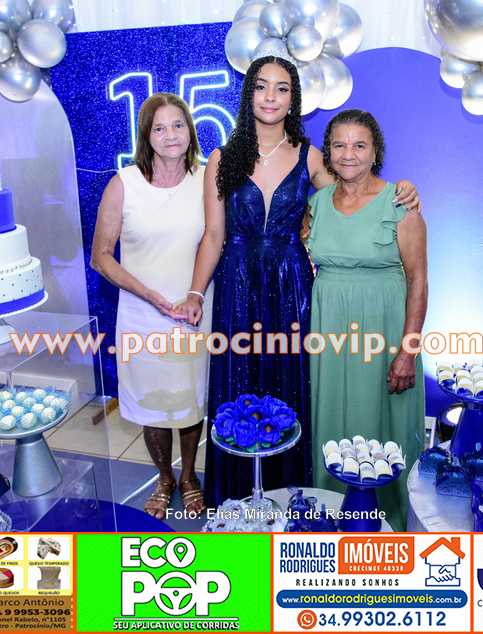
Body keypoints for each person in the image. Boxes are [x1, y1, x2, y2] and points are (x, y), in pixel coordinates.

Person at [178, 51, 420, 506]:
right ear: (248, 95)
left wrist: (400, 190)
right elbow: (213, 235)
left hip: (292, 289)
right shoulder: (222, 159)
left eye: (282, 88)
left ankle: (293, 499)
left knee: (292, 386)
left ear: (294, 99)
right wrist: (195, 292)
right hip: (236, 287)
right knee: (238, 386)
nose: (271, 96)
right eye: (261, 86)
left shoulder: (311, 156)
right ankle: (238, 500)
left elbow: (353, 193)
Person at [91, 93, 211, 519]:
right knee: (152, 406)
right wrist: (149, 296)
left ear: (190, 130)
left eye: (178, 125)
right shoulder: (123, 184)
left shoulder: (207, 179)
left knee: (191, 400)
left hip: (195, 309)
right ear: (146, 135)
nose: (170, 135)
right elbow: (101, 256)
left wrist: (194, 294)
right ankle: (164, 477)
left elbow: (220, 237)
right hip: (143, 315)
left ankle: (189, 476)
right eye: (159, 127)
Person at [306, 109, 427, 531]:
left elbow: (418, 279)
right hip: (330, 330)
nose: (349, 154)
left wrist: (408, 352)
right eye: (339, 145)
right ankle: (330, 515)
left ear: (376, 152)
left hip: (384, 329)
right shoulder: (317, 203)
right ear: (328, 153)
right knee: (331, 417)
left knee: (383, 424)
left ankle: (388, 521)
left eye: (360, 145)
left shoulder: (400, 203)